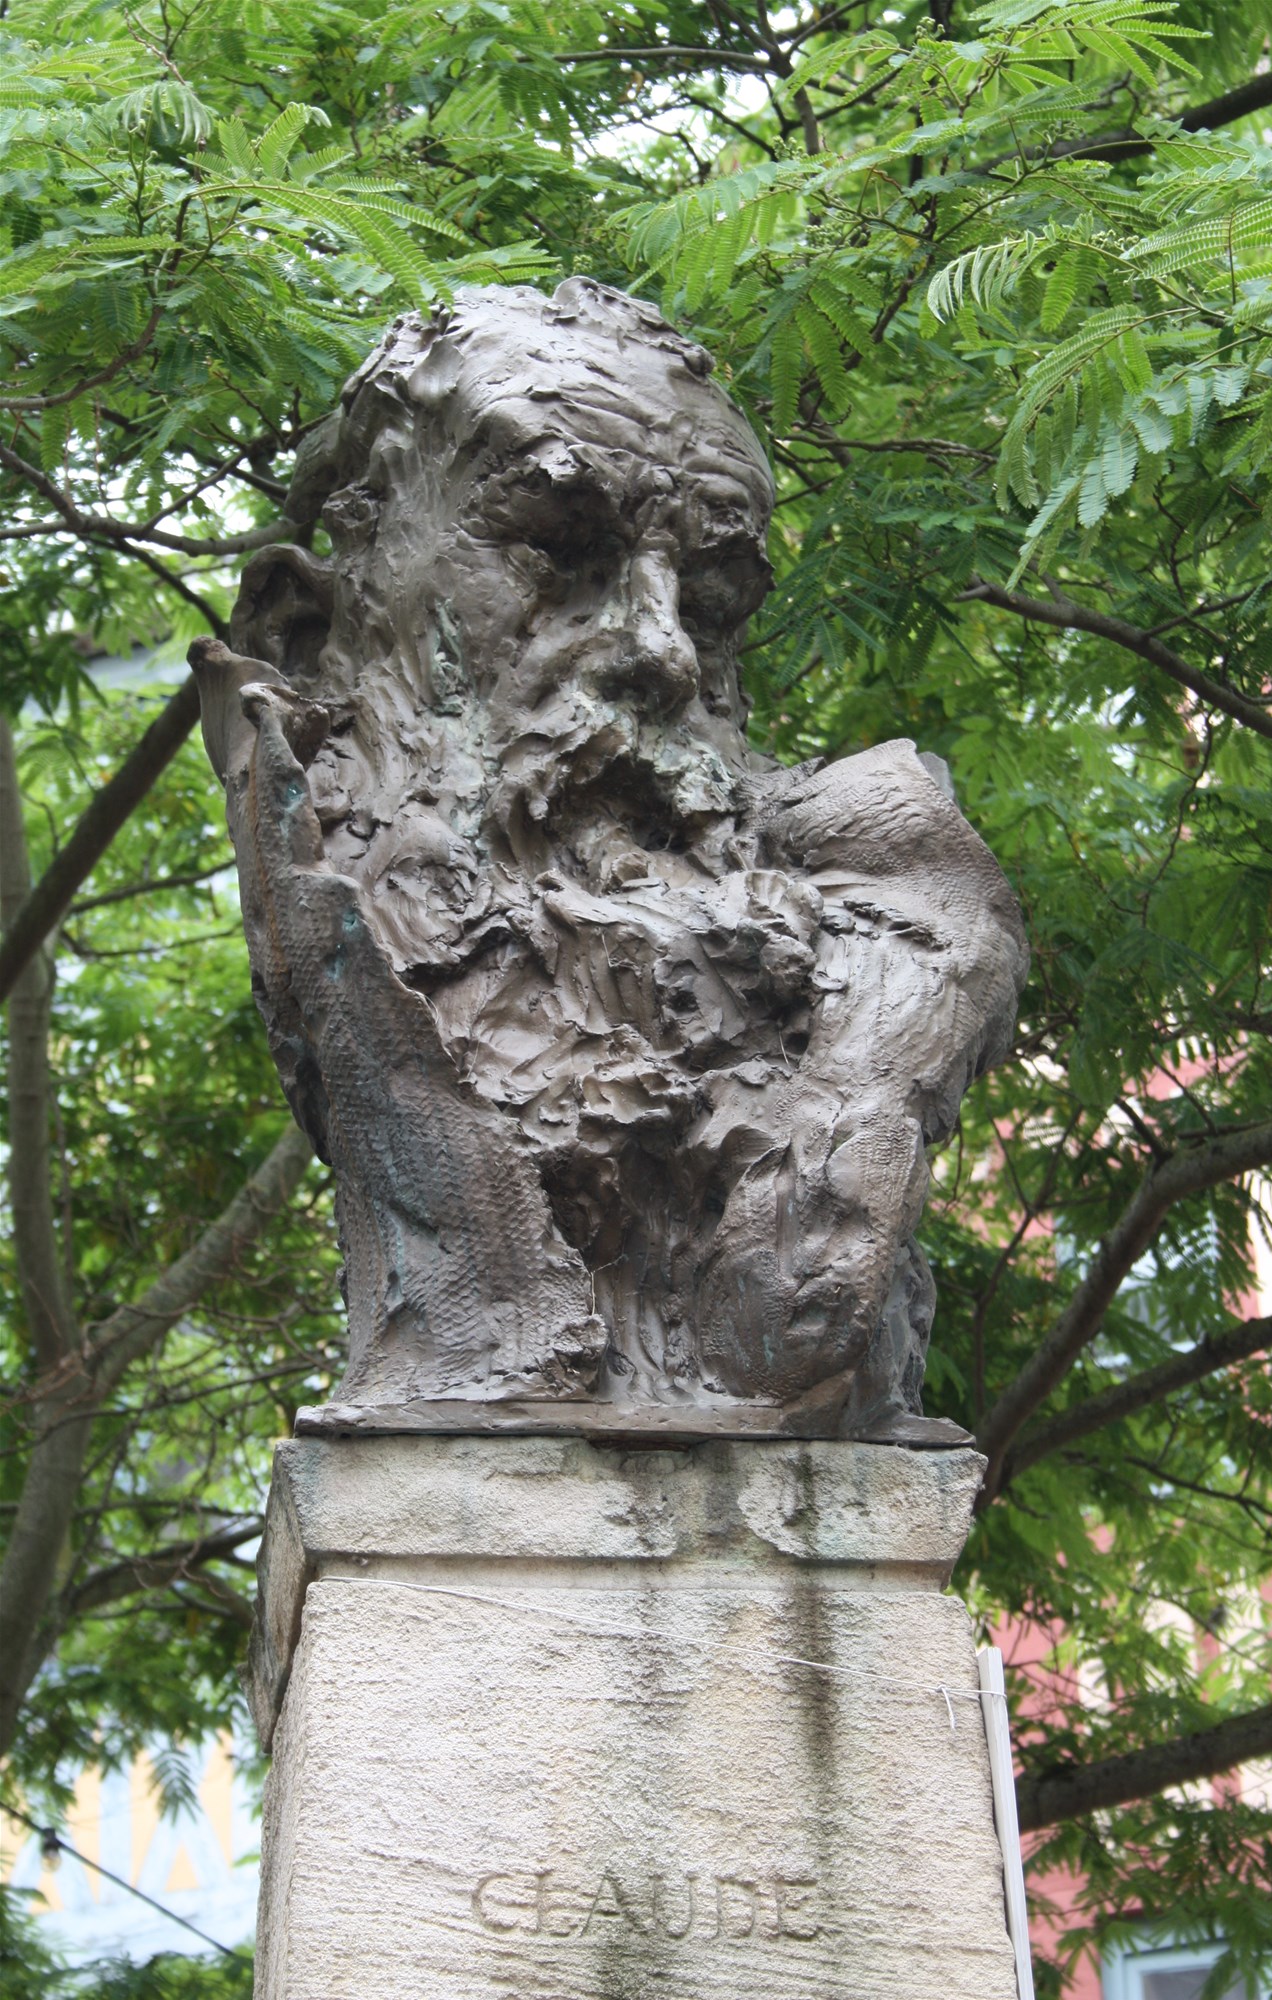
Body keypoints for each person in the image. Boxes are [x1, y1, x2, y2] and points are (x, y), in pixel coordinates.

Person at [190, 279, 1027, 1439]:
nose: (663, 652)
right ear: (310, 635)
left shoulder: (890, 920)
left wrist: (883, 1059)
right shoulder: (341, 895)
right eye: (556, 549)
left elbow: (794, 1304)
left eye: (711, 597)